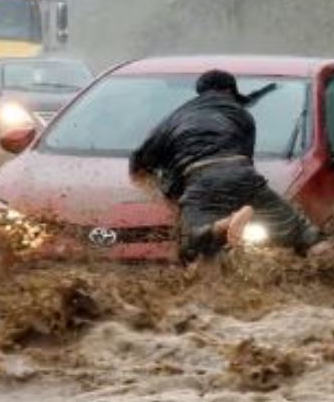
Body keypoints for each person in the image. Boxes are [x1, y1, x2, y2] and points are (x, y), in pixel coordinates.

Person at [129, 69, 323, 262]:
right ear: (230, 91)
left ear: (200, 93)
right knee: (303, 232)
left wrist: (160, 189)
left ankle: (222, 226)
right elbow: (246, 161)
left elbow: (138, 163)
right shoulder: (242, 115)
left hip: (200, 180)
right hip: (243, 175)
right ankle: (330, 264)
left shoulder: (174, 119)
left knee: (190, 249)